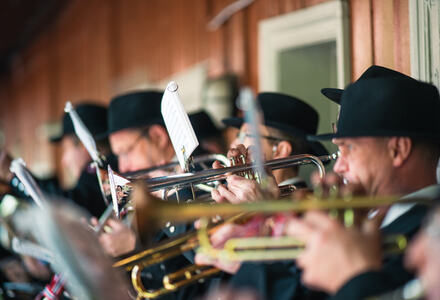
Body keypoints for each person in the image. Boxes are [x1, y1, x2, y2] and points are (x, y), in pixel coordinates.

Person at [285, 74, 440, 299]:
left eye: (349, 147)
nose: (338, 167)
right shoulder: (367, 218)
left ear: (397, 150)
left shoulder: (427, 235)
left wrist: (353, 277)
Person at [0, 102, 115, 217]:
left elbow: (63, 205)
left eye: (65, 149)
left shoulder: (105, 170)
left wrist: (13, 173)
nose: (64, 161)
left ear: (84, 144)